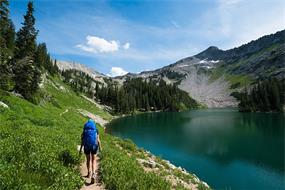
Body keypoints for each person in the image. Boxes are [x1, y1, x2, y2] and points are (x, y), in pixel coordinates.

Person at [79, 119, 102, 184]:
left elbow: (82, 141)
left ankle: (89, 173)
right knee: (94, 160)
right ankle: (94, 173)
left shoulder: (85, 131)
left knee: (88, 160)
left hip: (86, 146)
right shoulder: (96, 130)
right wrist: (100, 148)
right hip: (94, 146)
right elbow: (98, 140)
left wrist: (80, 149)